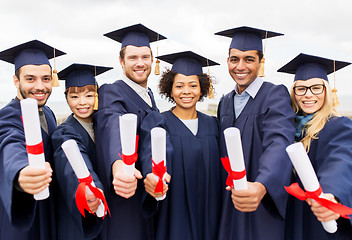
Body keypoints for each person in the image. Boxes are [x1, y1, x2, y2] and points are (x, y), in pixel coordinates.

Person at [215, 26, 295, 240]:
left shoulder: (274, 94)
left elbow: (280, 141)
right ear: (228, 61)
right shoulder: (224, 102)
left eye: (249, 59)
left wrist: (262, 185)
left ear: (261, 61)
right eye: (234, 59)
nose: (240, 66)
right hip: (230, 200)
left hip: (258, 201)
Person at [93, 23, 167, 240]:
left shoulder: (149, 95)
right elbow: (112, 123)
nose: (140, 63)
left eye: (145, 57)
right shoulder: (111, 91)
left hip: (147, 190)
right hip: (124, 195)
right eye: (133, 57)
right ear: (121, 61)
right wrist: (119, 167)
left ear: (153, 60)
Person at [141, 51, 222, 239]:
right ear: (170, 89)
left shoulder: (213, 124)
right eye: (179, 86)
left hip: (210, 211)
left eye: (193, 85)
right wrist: (152, 176)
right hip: (174, 212)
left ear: (201, 89)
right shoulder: (158, 121)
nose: (186, 91)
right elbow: (149, 153)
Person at [0, 40, 65, 240]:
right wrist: (21, 171)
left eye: (46, 79)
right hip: (18, 220)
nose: (40, 86)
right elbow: (9, 143)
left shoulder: (48, 113)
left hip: (45, 211)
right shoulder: (6, 117)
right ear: (16, 81)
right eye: (30, 79)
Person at [278, 53, 352, 239]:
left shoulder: (337, 125)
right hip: (289, 214)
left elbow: (341, 160)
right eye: (301, 89)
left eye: (316, 88)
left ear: (327, 91)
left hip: (319, 214)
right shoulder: (286, 127)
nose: (308, 94)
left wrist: (331, 194)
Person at [51, 63, 112, 240]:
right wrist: (91, 188)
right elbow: (71, 163)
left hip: (108, 212)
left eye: (89, 95)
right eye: (74, 96)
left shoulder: (106, 126)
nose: (82, 102)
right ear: (67, 99)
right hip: (81, 212)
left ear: (97, 96)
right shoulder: (64, 132)